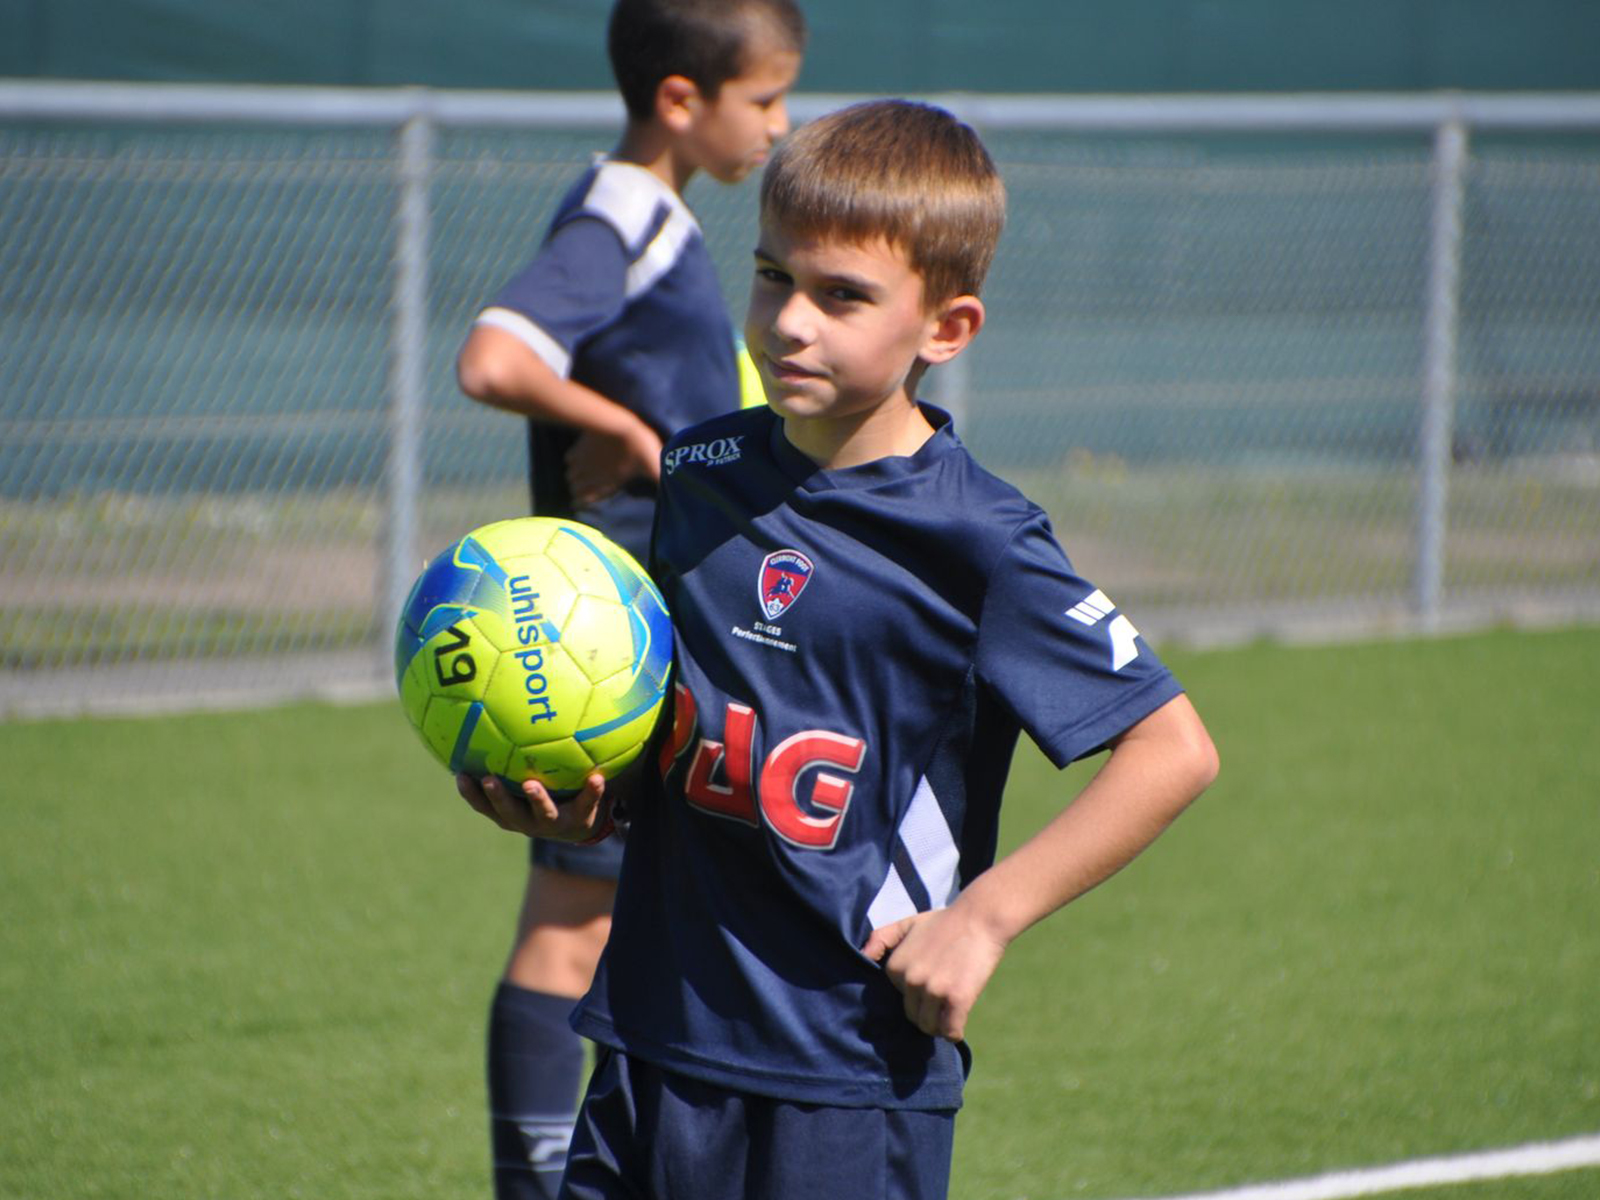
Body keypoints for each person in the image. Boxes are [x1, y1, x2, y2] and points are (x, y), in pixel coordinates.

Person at [460, 98, 1219, 1200]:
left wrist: (983, 919)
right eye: (773, 276)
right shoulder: (700, 469)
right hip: (650, 1039)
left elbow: (1172, 748)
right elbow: (687, 725)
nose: (790, 322)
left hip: (845, 1075)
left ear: (945, 329)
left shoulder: (980, 541)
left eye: (842, 295)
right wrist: (594, 801)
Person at [453, 2, 805, 1197]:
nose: (779, 123)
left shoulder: (649, 215)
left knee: (622, 917)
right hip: (602, 638)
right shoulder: (623, 215)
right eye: (762, 100)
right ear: (678, 100)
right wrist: (625, 430)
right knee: (571, 921)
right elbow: (493, 358)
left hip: (656, 623)